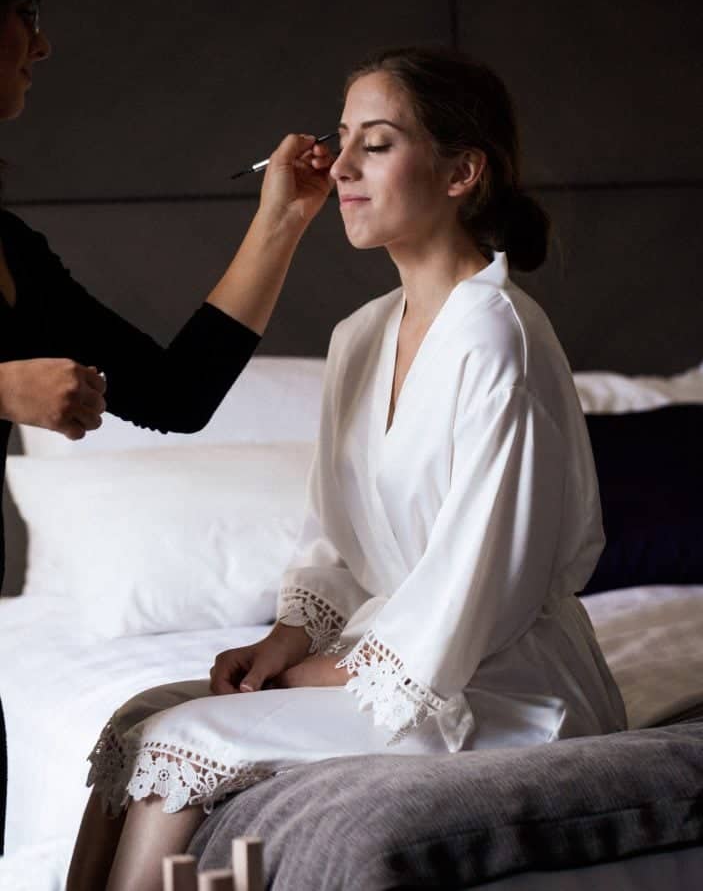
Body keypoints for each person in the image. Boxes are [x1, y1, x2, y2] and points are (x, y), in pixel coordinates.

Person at [68, 47, 627, 891]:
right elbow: (339, 538)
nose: (343, 167)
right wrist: (283, 641)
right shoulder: (361, 332)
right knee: (137, 721)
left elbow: (475, 588)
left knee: (183, 738)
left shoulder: (497, 336)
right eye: (342, 139)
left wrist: (307, 676)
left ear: (460, 171)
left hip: (494, 684)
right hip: (395, 656)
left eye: (378, 142)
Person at [0, 0, 335, 855]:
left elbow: (176, 394)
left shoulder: (13, 251)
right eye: (25, 12)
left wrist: (280, 222)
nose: (43, 41)